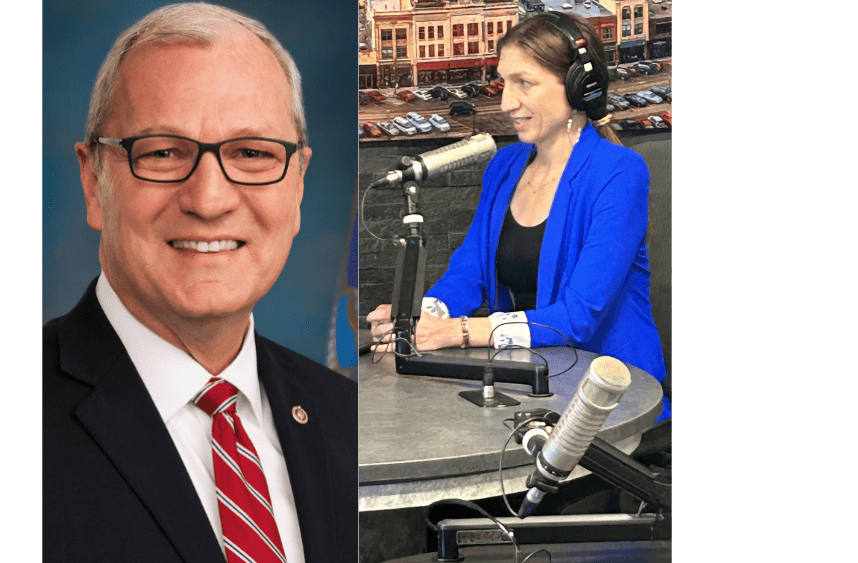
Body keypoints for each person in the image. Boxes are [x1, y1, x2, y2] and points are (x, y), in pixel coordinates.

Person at [42, 4, 357, 562]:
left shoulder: (342, 414)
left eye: (252, 153)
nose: (209, 200)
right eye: (163, 152)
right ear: (94, 182)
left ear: (299, 184)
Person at [368, 12, 669, 419]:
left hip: (611, 399)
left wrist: (457, 332)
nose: (507, 101)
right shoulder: (505, 166)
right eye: (504, 81)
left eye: (524, 83)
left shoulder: (619, 172)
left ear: (579, 88)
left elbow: (578, 317)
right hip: (535, 386)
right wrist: (419, 317)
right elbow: (470, 270)